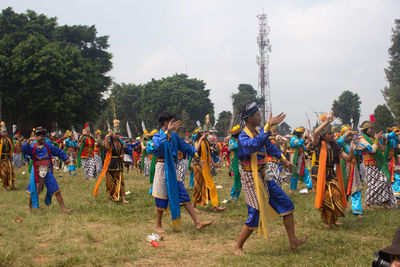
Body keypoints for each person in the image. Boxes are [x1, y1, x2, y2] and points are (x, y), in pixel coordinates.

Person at [234, 102, 307, 255]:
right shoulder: (243, 137)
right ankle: (237, 246)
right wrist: (267, 126)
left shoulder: (259, 133)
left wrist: (283, 160)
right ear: (249, 118)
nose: (261, 116)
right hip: (250, 178)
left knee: (286, 204)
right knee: (256, 213)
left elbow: (270, 147)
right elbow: (254, 145)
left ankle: (293, 241)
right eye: (258, 115)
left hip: (264, 176)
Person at [151, 112, 212, 236]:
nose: (175, 124)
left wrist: (197, 158)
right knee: (161, 198)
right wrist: (168, 132)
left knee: (184, 196)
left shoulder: (174, 136)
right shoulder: (157, 136)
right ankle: (158, 225)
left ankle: (198, 222)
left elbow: (186, 147)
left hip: (172, 169)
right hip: (162, 168)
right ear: (165, 123)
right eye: (172, 121)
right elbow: (160, 146)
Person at [310, 112, 354, 227]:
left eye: (333, 133)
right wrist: (327, 122)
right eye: (330, 133)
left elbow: (347, 158)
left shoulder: (335, 146)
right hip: (318, 173)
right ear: (323, 135)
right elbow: (315, 132)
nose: (332, 135)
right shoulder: (318, 143)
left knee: (336, 194)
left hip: (330, 173)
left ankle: (334, 219)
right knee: (325, 198)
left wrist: (353, 151)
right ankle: (326, 221)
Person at [23, 127, 72, 212]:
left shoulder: (48, 147)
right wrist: (28, 141)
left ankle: (63, 208)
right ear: (35, 136)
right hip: (36, 171)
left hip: (47, 170)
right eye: (38, 135)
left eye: (43, 135)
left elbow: (59, 152)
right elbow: (24, 150)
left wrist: (65, 158)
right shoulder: (32, 148)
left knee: (55, 189)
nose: (41, 137)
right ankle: (31, 208)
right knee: (33, 190)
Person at [359, 117, 397, 209]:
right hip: (370, 165)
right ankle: (367, 202)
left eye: (372, 128)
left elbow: (382, 149)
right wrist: (376, 139)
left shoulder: (372, 139)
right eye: (370, 128)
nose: (372, 130)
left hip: (378, 164)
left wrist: (384, 140)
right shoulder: (362, 139)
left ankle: (385, 202)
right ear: (366, 130)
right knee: (376, 184)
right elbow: (373, 150)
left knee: (385, 181)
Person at [93, 119, 129, 203]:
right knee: (110, 183)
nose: (117, 135)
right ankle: (112, 197)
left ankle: (123, 198)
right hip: (110, 164)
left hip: (118, 164)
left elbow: (123, 150)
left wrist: (122, 156)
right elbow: (107, 148)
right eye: (116, 134)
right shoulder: (109, 142)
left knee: (121, 181)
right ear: (112, 134)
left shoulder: (120, 143)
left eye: (118, 134)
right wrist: (106, 137)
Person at [192, 128, 225, 211]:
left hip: (205, 167)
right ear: (200, 133)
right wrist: (200, 139)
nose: (207, 134)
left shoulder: (206, 142)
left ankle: (215, 205)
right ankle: (193, 206)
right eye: (205, 132)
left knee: (211, 185)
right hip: (198, 167)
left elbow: (208, 155)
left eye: (207, 132)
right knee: (198, 186)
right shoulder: (197, 141)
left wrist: (214, 164)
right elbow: (195, 150)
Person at [336, 125, 364, 217]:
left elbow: (358, 154)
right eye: (348, 134)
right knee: (344, 189)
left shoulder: (354, 143)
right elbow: (338, 141)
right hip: (345, 169)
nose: (350, 136)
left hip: (354, 168)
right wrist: (348, 133)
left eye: (351, 135)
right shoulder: (341, 144)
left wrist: (356, 150)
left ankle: (357, 210)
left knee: (355, 189)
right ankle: (341, 208)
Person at [290, 126, 313, 192]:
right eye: (302, 134)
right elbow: (299, 143)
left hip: (300, 159)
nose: (302, 135)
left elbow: (304, 148)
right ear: (299, 134)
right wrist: (305, 137)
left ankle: (310, 187)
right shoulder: (293, 139)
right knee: (295, 173)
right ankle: (292, 189)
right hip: (295, 159)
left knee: (305, 171)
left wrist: (310, 144)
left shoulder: (298, 139)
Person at [385, 124, 400, 200]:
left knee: (397, 175)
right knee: (386, 179)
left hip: (393, 160)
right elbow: (387, 137)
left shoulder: (396, 139)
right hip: (385, 161)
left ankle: (396, 195)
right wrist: (394, 132)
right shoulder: (385, 136)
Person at [0, 122, 16, 191]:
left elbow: (10, 149)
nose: (5, 133)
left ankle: (11, 185)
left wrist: (11, 155)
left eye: (5, 132)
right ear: (0, 133)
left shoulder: (9, 140)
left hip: (8, 158)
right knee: (3, 173)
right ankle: (4, 187)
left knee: (11, 172)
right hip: (1, 159)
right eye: (3, 132)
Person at [229, 125, 241, 201]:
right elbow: (233, 147)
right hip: (236, 160)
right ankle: (233, 195)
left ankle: (235, 195)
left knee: (240, 179)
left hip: (241, 160)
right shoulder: (232, 141)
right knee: (237, 177)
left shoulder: (237, 140)